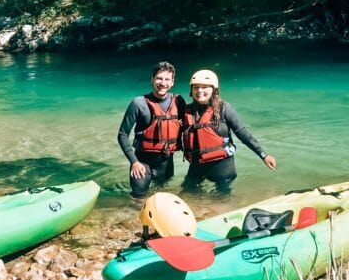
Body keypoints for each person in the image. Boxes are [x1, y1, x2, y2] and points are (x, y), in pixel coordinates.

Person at [181, 69, 276, 194]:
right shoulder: (187, 111)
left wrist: (263, 155)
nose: (199, 91)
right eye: (196, 87)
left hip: (222, 168)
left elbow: (243, 134)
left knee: (221, 201)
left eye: (205, 87)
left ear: (214, 89)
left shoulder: (224, 109)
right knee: (187, 194)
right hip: (197, 165)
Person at [117, 62, 186, 198]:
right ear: (152, 80)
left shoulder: (179, 101)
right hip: (142, 163)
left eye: (167, 79)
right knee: (138, 198)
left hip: (166, 163)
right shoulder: (138, 103)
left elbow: (187, 128)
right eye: (159, 78)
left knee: (162, 198)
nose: (163, 83)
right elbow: (122, 135)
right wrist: (134, 162)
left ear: (172, 82)